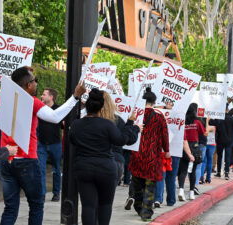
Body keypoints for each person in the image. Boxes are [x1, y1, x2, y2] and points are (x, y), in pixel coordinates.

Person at [0, 66, 85, 225]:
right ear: (28, 85)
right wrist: (75, 97)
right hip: (26, 159)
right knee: (37, 205)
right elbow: (55, 116)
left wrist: (21, 72)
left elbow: (13, 81)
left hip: (6, 158)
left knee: (10, 208)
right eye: (34, 81)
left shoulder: (4, 97)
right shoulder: (31, 101)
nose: (36, 84)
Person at [69, 88, 139, 225]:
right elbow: (121, 140)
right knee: (105, 205)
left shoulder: (77, 124)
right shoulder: (107, 124)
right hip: (105, 168)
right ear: (101, 106)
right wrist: (131, 125)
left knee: (88, 206)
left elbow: (72, 140)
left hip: (83, 167)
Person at [128, 87, 170, 222]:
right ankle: (146, 212)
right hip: (152, 155)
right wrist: (167, 150)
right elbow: (165, 135)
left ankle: (138, 205)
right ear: (154, 102)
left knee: (137, 183)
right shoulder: (159, 117)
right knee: (149, 185)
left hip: (137, 154)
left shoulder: (135, 115)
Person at [37, 88, 63, 202]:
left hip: (55, 144)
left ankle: (56, 193)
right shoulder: (40, 108)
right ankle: (42, 193)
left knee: (56, 169)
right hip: (41, 143)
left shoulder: (58, 109)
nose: (42, 96)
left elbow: (63, 125)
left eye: (44, 94)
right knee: (40, 169)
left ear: (51, 97)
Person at [178, 103, 206, 201]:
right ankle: (191, 193)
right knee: (193, 171)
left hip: (183, 146)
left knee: (183, 170)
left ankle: (181, 190)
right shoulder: (197, 122)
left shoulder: (183, 122)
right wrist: (208, 122)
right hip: (194, 146)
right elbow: (204, 133)